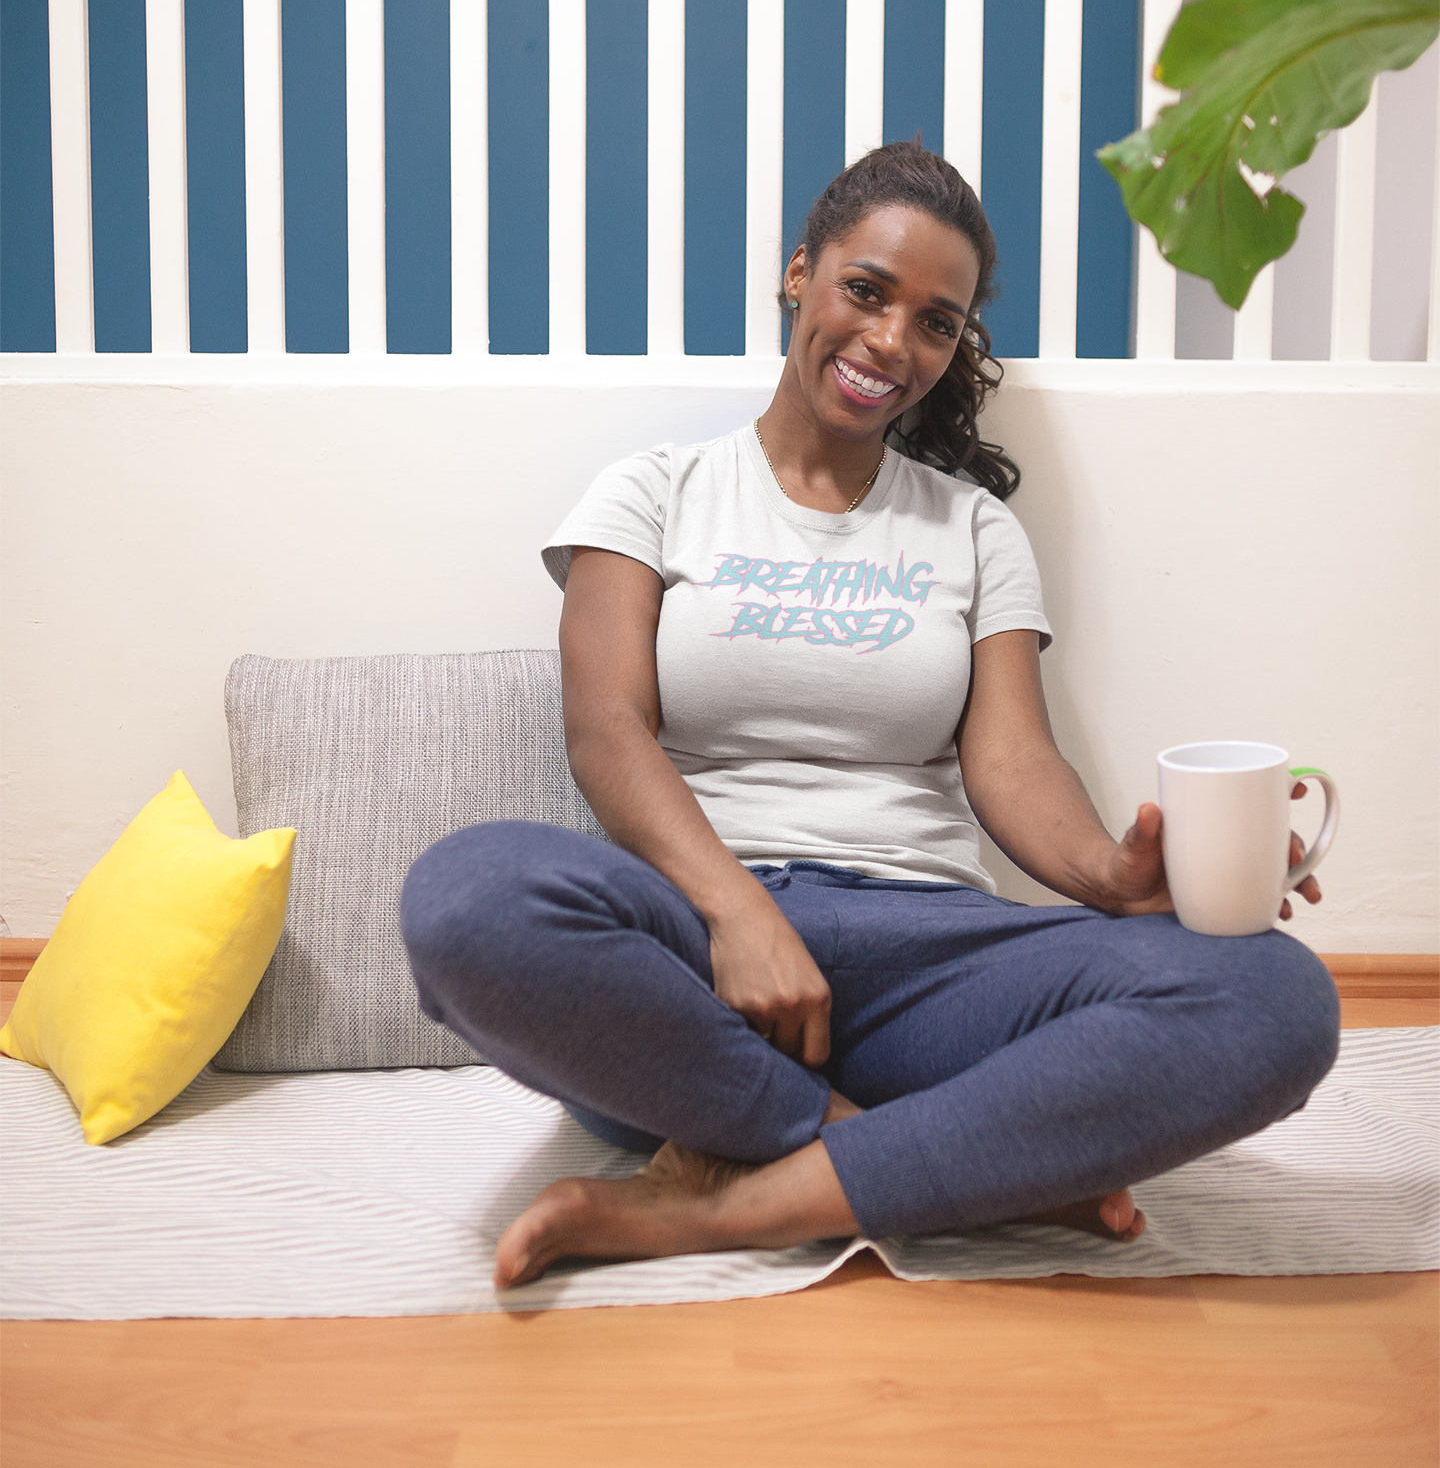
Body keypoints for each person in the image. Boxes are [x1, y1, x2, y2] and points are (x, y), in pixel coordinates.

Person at [401, 141, 1339, 1291]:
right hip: (696, 966)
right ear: (801, 272)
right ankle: (932, 1157)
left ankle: (730, 1201)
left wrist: (1116, 876)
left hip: (927, 957)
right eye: (867, 290)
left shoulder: (975, 527)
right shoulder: (654, 492)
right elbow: (606, 732)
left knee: (1274, 998)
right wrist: (738, 912)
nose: (894, 342)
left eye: (937, 322)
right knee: (468, 899)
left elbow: (1010, 761)